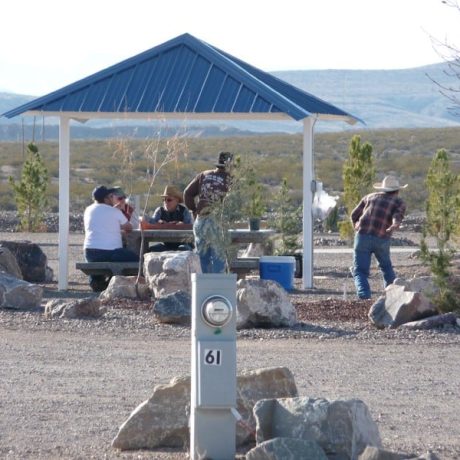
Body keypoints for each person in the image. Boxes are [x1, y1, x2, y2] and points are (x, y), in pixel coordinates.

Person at [350, 175, 407, 299]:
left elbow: (354, 214)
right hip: (382, 236)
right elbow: (397, 216)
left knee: (360, 270)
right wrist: (394, 224)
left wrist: (356, 225)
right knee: (386, 267)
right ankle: (392, 296)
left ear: (383, 189)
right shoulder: (398, 202)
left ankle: (364, 296)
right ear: (397, 191)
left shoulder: (369, 197)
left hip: (362, 236)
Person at [184, 151, 233, 273]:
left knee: (201, 257)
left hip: (201, 220)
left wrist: (194, 210)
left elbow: (187, 193)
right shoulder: (230, 179)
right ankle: (217, 287)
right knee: (218, 258)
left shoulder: (204, 175)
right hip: (218, 221)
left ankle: (202, 286)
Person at [83, 185, 139, 291]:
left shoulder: (88, 210)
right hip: (111, 252)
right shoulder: (114, 211)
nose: (113, 198)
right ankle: (113, 284)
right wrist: (119, 211)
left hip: (89, 253)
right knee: (137, 260)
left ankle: (96, 282)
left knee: (98, 263)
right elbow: (129, 227)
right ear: (106, 199)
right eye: (111, 196)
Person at [148, 185, 194, 252]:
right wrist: (158, 224)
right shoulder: (159, 211)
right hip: (166, 245)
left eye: (169, 200)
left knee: (183, 248)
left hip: (184, 243)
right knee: (151, 249)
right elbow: (151, 224)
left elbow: (191, 229)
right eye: (164, 200)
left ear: (177, 200)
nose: (166, 202)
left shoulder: (184, 211)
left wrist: (183, 226)